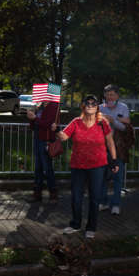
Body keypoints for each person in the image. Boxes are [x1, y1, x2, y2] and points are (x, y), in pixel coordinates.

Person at [53, 95, 119, 238]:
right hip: (78, 166)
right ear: (83, 106)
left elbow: (110, 142)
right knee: (76, 197)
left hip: (98, 166)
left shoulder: (102, 123)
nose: (90, 105)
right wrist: (56, 130)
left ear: (97, 107)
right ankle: (75, 224)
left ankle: (91, 227)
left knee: (94, 198)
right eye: (87, 103)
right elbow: (64, 137)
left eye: (93, 104)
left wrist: (113, 160)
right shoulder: (76, 122)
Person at [99, 84, 130, 215]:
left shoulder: (123, 107)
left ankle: (116, 204)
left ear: (117, 95)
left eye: (112, 94)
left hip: (118, 148)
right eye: (107, 94)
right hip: (102, 147)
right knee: (103, 178)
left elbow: (125, 128)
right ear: (104, 95)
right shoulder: (100, 108)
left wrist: (113, 121)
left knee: (117, 177)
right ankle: (103, 202)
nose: (110, 97)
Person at [26, 101, 59, 203]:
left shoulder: (53, 107)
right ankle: (37, 194)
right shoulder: (39, 107)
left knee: (47, 168)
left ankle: (53, 194)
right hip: (37, 139)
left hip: (46, 140)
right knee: (38, 167)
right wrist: (31, 119)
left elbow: (47, 124)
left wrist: (35, 118)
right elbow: (33, 126)